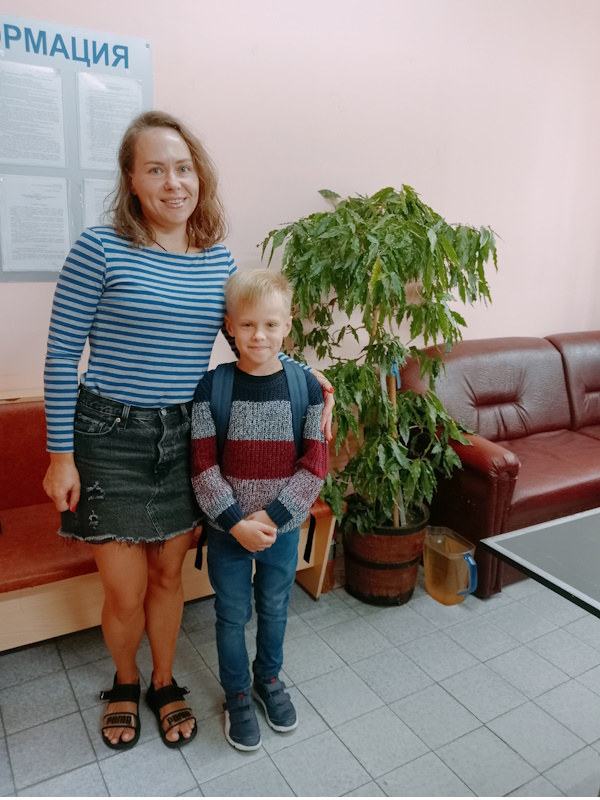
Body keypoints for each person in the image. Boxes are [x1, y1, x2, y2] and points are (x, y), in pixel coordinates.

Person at [42, 110, 334, 751]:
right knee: (125, 591)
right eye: (155, 169)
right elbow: (62, 355)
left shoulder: (216, 259)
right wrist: (60, 455)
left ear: (198, 175)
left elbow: (247, 334)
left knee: (169, 578)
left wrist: (304, 376)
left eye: (183, 168)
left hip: (187, 435)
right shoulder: (99, 248)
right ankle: (125, 680)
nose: (173, 182)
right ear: (132, 179)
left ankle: (164, 681)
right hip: (109, 436)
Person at [190, 269, 328, 751]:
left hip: (281, 531)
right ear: (230, 326)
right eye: (247, 325)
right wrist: (235, 523)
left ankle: (268, 678)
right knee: (232, 614)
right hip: (227, 531)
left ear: (287, 325)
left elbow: (314, 465)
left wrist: (270, 519)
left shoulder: (306, 388)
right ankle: (236, 694)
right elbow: (202, 466)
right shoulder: (212, 387)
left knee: (274, 607)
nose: (259, 336)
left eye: (271, 325)